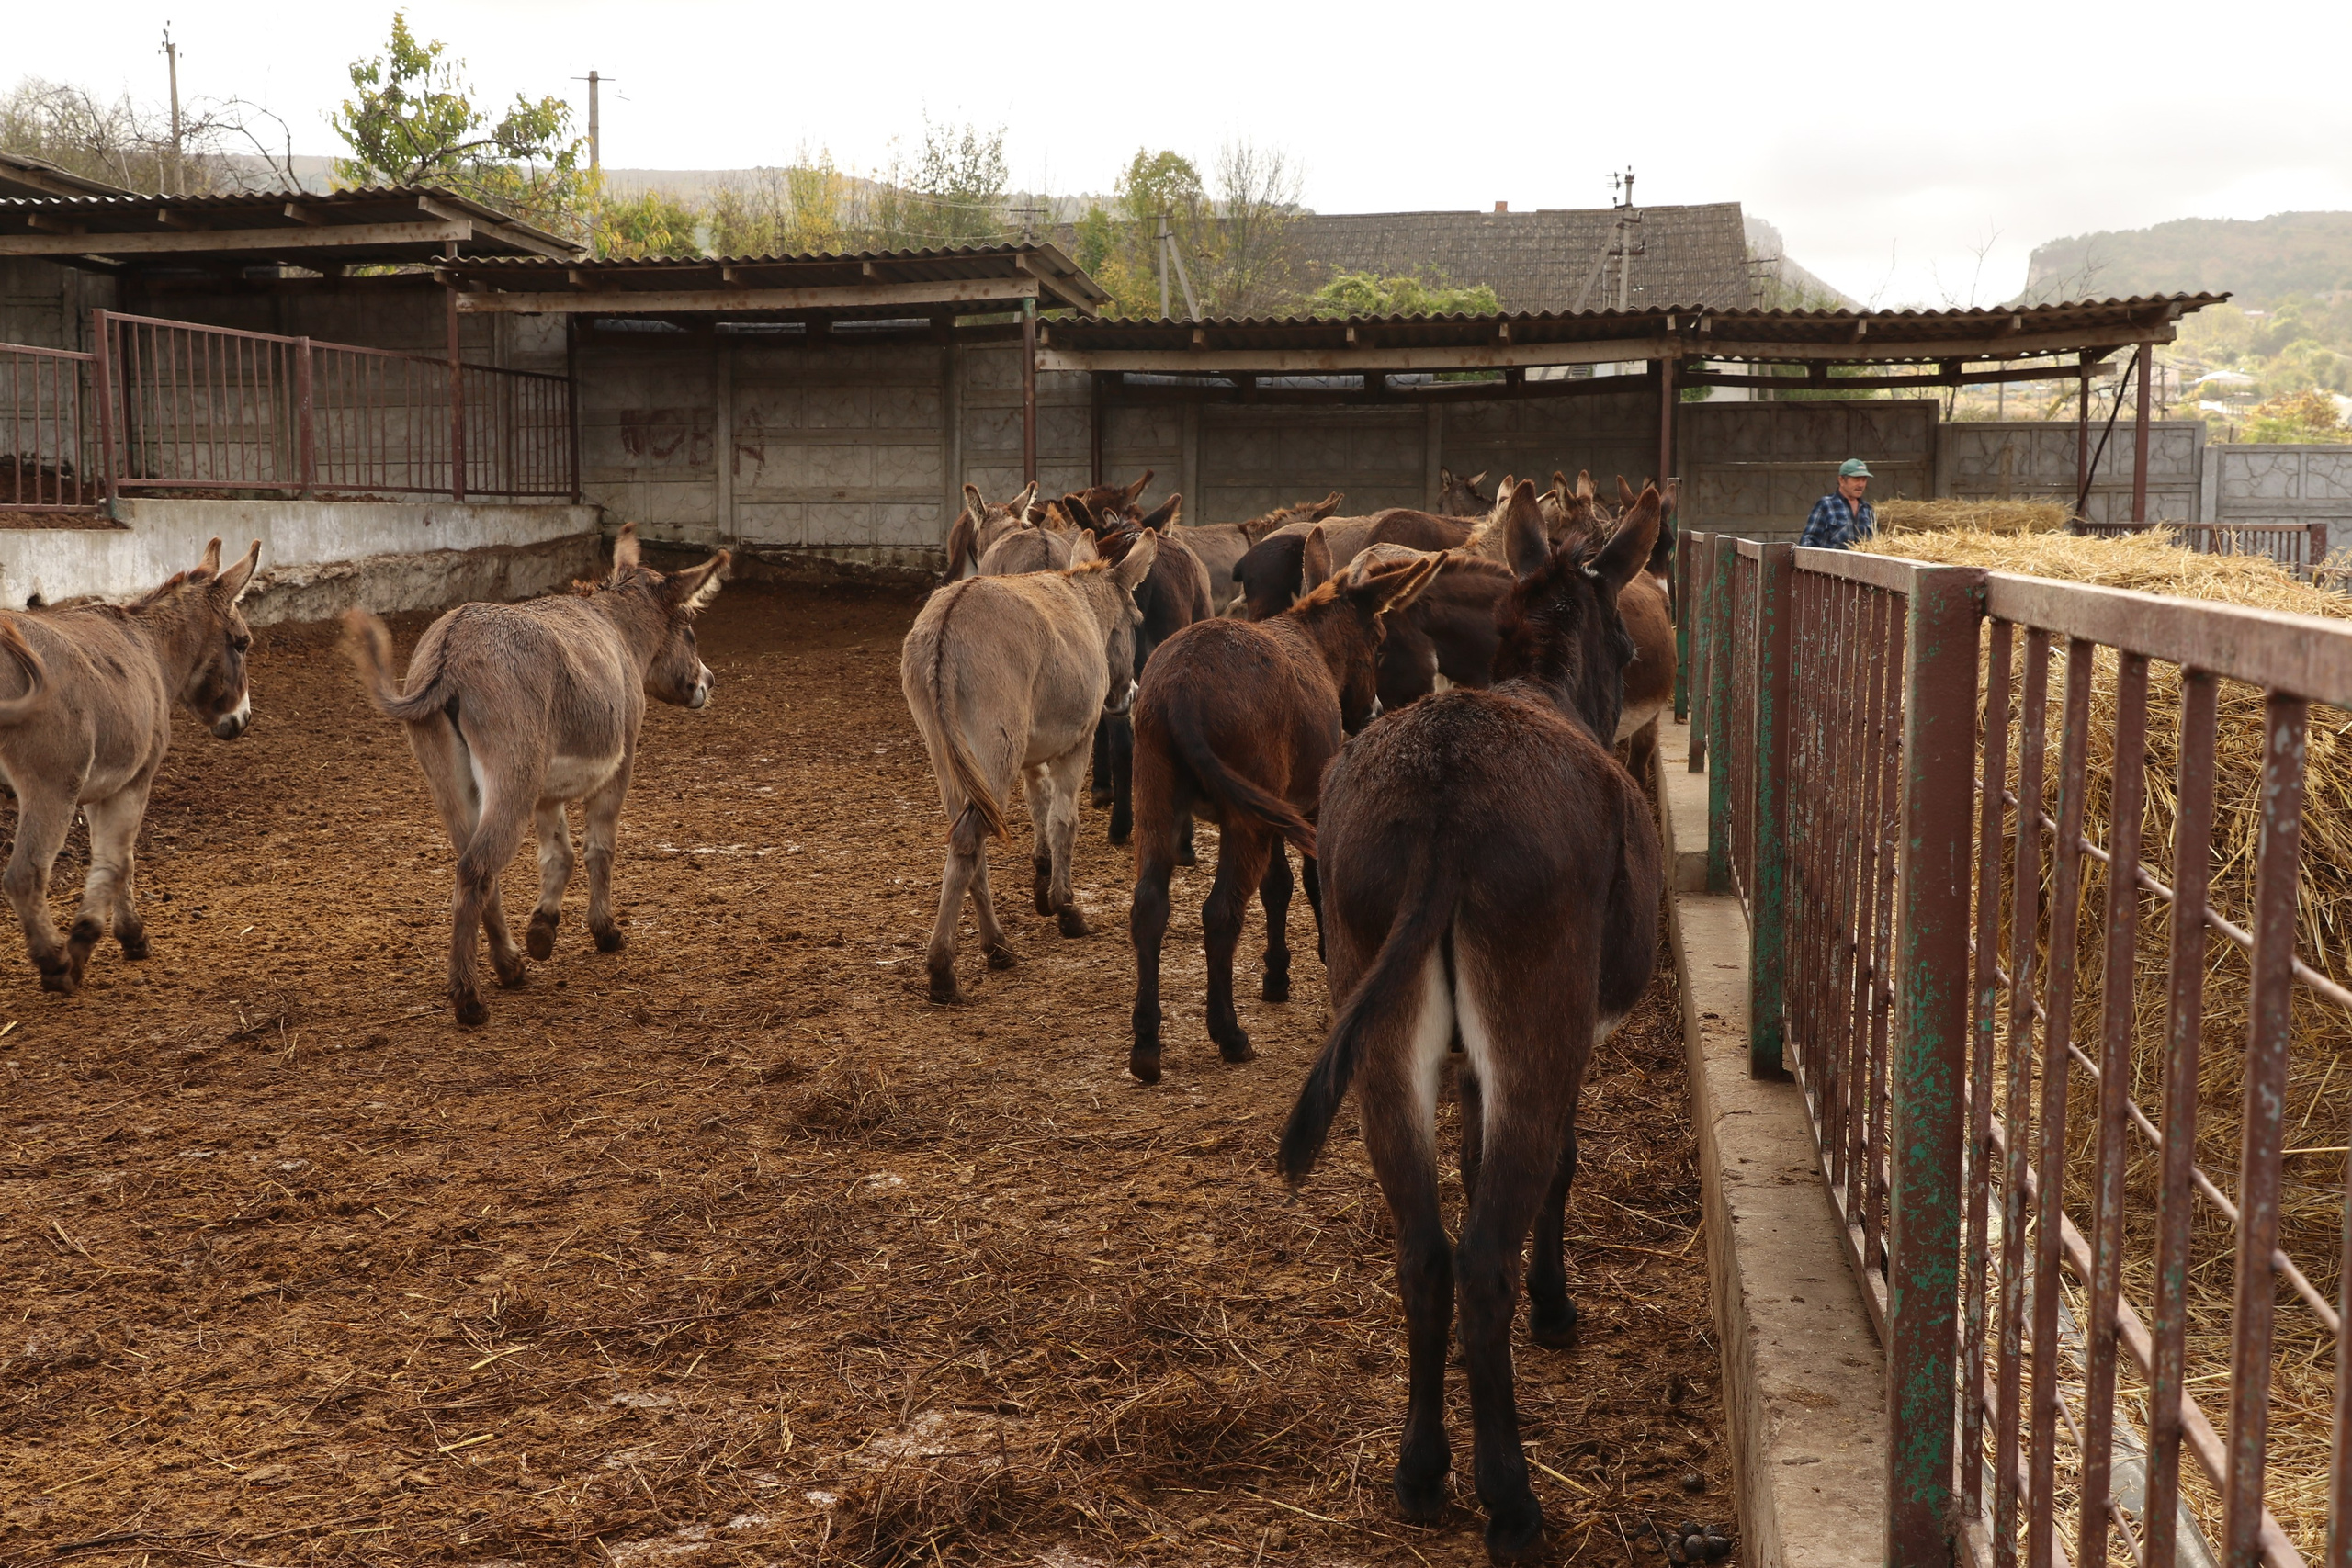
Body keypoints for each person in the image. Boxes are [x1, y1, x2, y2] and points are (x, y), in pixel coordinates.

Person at [1801, 458, 1875, 549]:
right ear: (1842, 480)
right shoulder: (1826, 505)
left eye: (1864, 480)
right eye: (1856, 479)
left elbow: (1875, 543)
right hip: (1832, 562)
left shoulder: (1867, 509)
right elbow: (1808, 540)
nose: (1861, 485)